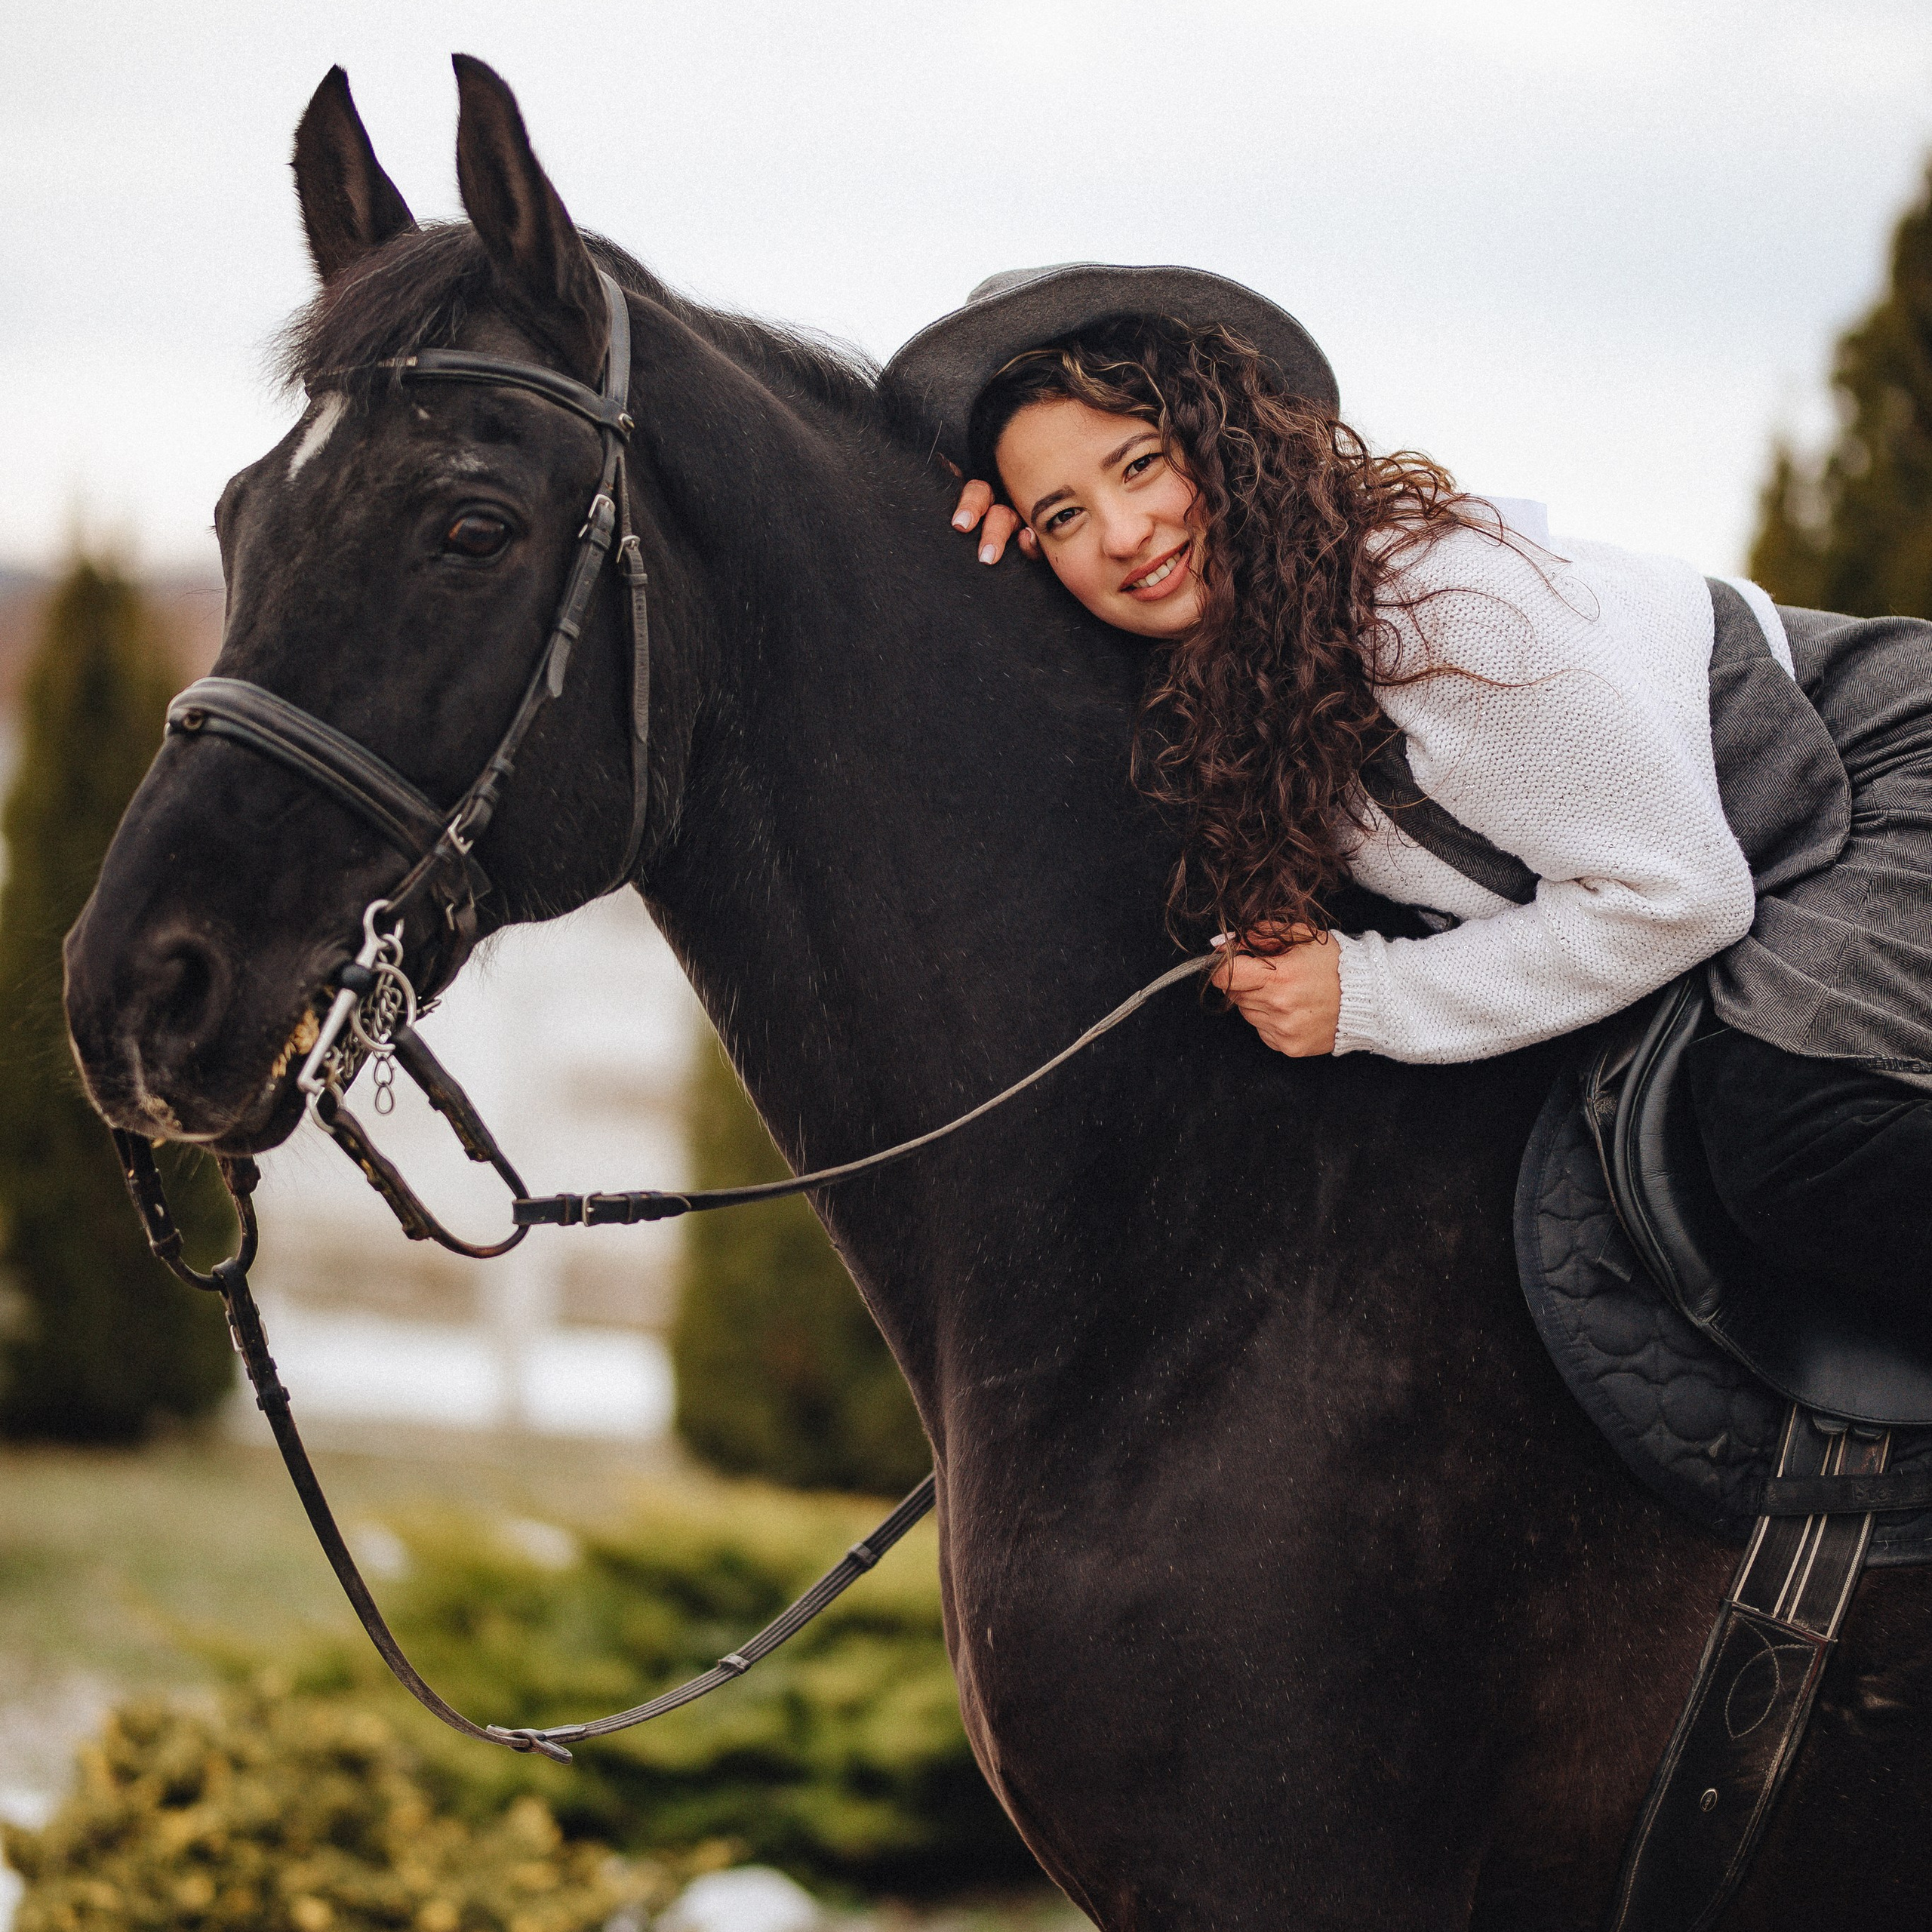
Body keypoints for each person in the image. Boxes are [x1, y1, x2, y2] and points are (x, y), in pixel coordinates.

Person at [879, 264, 1932, 1313]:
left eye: (1142, 463)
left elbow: (1682, 895)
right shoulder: (1228, 659)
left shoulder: (1434, 610)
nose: (1121, 533)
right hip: (1739, 853)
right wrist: (996, 581)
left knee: (1789, 1135)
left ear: (1226, 438)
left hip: (1877, 769)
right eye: (1061, 516)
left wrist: (1368, 999)